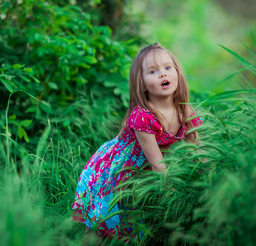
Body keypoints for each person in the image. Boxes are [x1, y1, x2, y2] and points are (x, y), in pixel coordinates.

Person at [71, 42, 203, 241]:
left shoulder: (185, 112)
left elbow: (199, 153)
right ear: (141, 82)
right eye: (153, 71)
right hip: (119, 170)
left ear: (177, 73)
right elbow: (158, 165)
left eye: (168, 68)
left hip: (145, 173)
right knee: (104, 219)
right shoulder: (143, 116)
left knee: (140, 224)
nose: (162, 74)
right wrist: (174, 192)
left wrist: (209, 178)